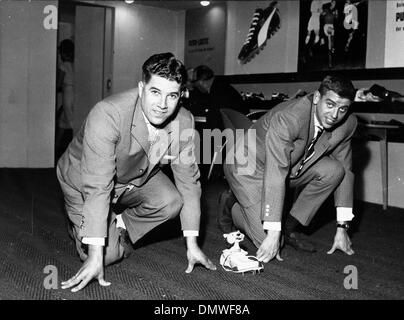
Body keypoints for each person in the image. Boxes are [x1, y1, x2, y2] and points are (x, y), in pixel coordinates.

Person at [56, 52, 216, 292]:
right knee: (106, 256)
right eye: (155, 92)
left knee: (172, 201)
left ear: (181, 94)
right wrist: (96, 254)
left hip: (132, 176)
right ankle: (82, 229)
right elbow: (98, 185)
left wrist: (192, 244)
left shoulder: (184, 121)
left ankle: (116, 225)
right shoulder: (108, 113)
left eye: (171, 95)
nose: (162, 105)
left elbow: (189, 184)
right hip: (83, 180)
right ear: (141, 88)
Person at [220, 75, 379, 263]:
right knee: (269, 242)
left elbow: (345, 170)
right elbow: (275, 171)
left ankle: (289, 228)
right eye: (330, 104)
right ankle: (232, 204)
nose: (335, 115)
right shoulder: (290, 118)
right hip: (247, 168)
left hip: (289, 167)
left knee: (334, 171)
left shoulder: (348, 124)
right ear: (317, 98)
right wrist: (272, 233)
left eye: (342, 108)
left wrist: (342, 228)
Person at [56, 39, 75, 160]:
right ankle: (56, 149)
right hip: (74, 93)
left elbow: (58, 84)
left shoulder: (63, 66)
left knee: (71, 121)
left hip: (68, 93)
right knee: (63, 122)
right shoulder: (74, 64)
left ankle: (73, 152)